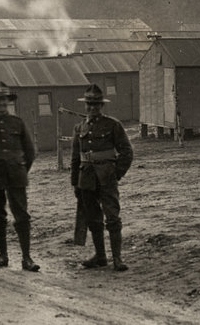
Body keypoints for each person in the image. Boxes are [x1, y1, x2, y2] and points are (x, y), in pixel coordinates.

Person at [0, 81, 40, 272]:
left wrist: (21, 169)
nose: (2, 106)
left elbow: (30, 152)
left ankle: (26, 258)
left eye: (4, 102)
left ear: (9, 103)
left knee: (21, 215)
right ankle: (2, 255)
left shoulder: (18, 123)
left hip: (16, 174)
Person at [70, 84, 134, 271]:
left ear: (102, 106)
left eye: (96, 104)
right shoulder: (79, 127)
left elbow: (127, 152)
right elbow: (75, 158)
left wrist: (116, 173)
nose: (92, 108)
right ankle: (100, 256)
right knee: (92, 218)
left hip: (107, 178)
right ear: (85, 105)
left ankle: (117, 258)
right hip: (86, 179)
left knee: (112, 217)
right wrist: (75, 182)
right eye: (89, 104)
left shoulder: (113, 125)